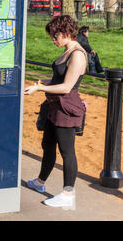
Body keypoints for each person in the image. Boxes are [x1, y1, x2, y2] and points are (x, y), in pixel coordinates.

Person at [24, 15, 87, 210]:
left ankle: (68, 194)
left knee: (67, 151)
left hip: (66, 108)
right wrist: (41, 84)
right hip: (55, 106)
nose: (53, 39)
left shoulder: (77, 54)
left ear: (67, 32)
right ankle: (40, 182)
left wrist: (40, 89)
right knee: (48, 144)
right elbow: (58, 81)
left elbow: (67, 87)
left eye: (55, 35)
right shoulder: (67, 51)